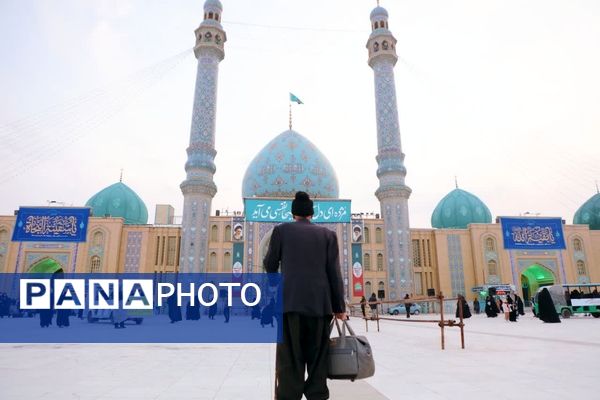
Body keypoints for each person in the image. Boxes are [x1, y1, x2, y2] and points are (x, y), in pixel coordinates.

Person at [264, 191, 345, 400]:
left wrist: (274, 283)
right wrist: (339, 308)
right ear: (311, 214)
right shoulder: (328, 235)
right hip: (320, 307)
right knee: (318, 360)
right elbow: (334, 274)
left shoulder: (281, 232)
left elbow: (270, 264)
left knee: (289, 360)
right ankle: (316, 395)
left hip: (289, 305)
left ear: (293, 214)